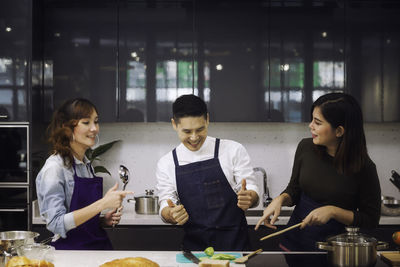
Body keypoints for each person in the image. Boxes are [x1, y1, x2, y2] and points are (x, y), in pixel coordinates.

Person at [255, 92, 381, 251]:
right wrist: (280, 199)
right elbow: (295, 189)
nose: (310, 126)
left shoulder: (365, 168)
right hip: (296, 244)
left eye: (318, 122)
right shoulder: (306, 147)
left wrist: (333, 211)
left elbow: (370, 219)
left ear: (339, 131)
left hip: (335, 251)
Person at [156, 94, 260, 251]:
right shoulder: (166, 163)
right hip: (195, 250)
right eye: (187, 131)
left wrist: (250, 197)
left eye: (200, 129)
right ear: (174, 124)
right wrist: (171, 213)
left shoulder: (232, 150)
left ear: (208, 120)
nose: (194, 137)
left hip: (236, 248)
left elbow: (250, 187)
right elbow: (165, 202)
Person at [36, 98, 132, 250]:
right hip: (71, 253)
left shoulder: (86, 165)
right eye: (86, 122)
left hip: (96, 248)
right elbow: (56, 224)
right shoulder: (54, 169)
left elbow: (82, 218)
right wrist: (103, 204)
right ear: (66, 127)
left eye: (96, 121)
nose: (94, 128)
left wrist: (101, 220)